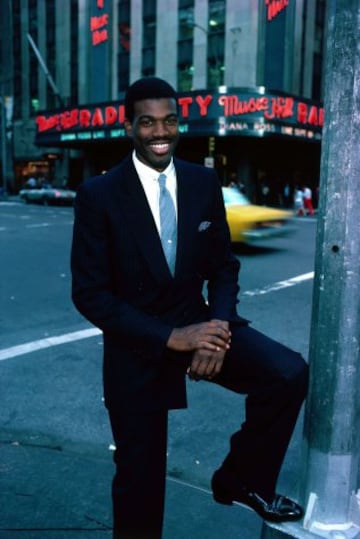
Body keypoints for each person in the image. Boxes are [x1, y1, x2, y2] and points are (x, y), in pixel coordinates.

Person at [71, 77, 308, 539]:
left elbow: (223, 265)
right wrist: (170, 338)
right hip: (137, 344)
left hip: (198, 321)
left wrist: (216, 327)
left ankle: (243, 478)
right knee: (140, 483)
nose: (160, 132)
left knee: (288, 374)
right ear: (129, 127)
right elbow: (90, 294)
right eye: (147, 122)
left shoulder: (203, 181)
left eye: (170, 121)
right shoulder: (99, 195)